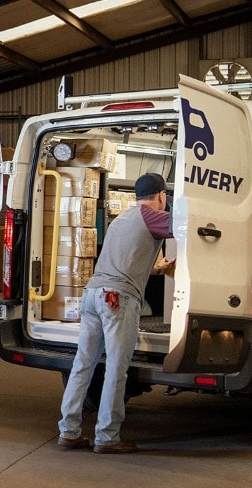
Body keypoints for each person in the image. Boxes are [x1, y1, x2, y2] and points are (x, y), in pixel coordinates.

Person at [57, 172, 175, 454]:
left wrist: (159, 267)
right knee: (116, 369)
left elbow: (127, 257)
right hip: (117, 300)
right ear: (161, 196)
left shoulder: (122, 218)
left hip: (93, 294)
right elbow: (187, 227)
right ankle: (107, 437)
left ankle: (68, 431)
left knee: (82, 365)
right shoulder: (153, 216)